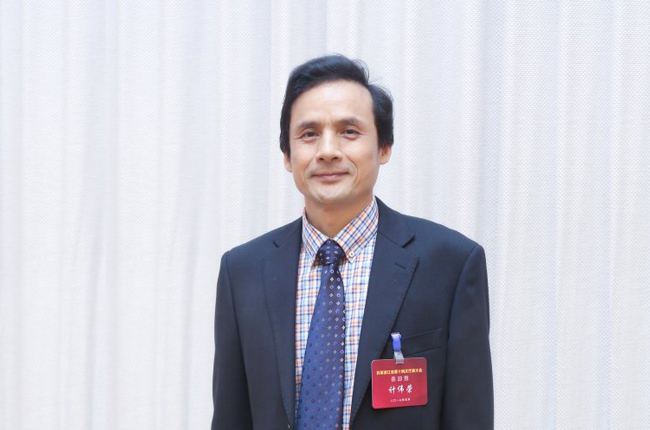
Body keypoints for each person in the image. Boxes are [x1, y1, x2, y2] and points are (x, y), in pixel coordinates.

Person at [212, 54, 493, 430]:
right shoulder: (242, 272)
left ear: (384, 148)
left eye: (349, 131)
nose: (327, 150)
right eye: (309, 134)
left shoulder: (451, 265)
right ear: (287, 156)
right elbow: (231, 417)